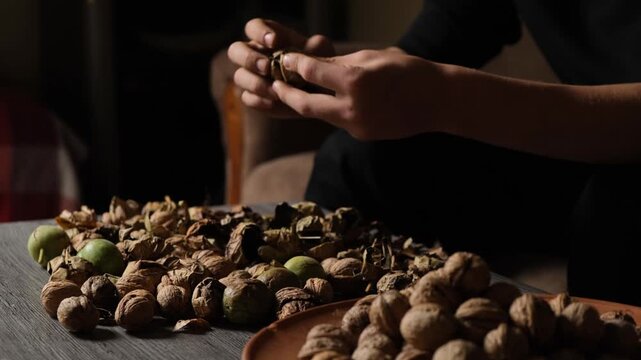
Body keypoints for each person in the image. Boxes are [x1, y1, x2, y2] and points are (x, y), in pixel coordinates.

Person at [228, 1, 641, 304]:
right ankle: (307, 323)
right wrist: (328, 73)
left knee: (614, 210)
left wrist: (445, 98)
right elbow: (435, 42)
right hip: (578, 155)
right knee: (359, 158)